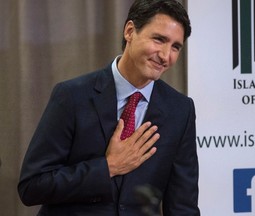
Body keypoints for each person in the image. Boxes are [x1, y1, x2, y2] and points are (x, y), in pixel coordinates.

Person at [18, 0, 200, 215]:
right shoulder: (72, 96)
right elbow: (32, 187)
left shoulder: (180, 110)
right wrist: (108, 167)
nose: (165, 56)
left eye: (175, 47)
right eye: (159, 39)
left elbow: (182, 205)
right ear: (130, 31)